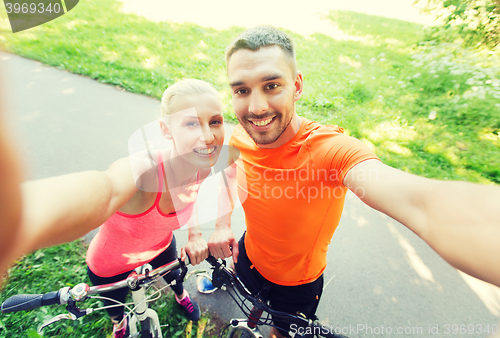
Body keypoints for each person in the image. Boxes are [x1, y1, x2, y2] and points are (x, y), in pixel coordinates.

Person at [204, 26, 500, 338]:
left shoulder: (331, 150)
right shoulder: (240, 134)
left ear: (297, 86)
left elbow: (422, 205)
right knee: (251, 304)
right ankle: (251, 316)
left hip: (296, 285)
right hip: (247, 257)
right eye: (241, 91)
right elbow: (227, 171)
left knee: (281, 332)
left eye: (272, 85)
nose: (256, 108)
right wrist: (222, 224)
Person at [1, 78, 223, 337]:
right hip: (110, 263)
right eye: (192, 123)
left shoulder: (201, 166)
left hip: (162, 248)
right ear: (166, 130)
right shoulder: (145, 170)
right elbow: (107, 189)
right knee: (115, 306)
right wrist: (16, 222)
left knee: (176, 280)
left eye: (215, 121)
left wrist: (195, 235)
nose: (208, 136)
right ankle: (119, 324)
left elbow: (190, 198)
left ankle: (181, 295)